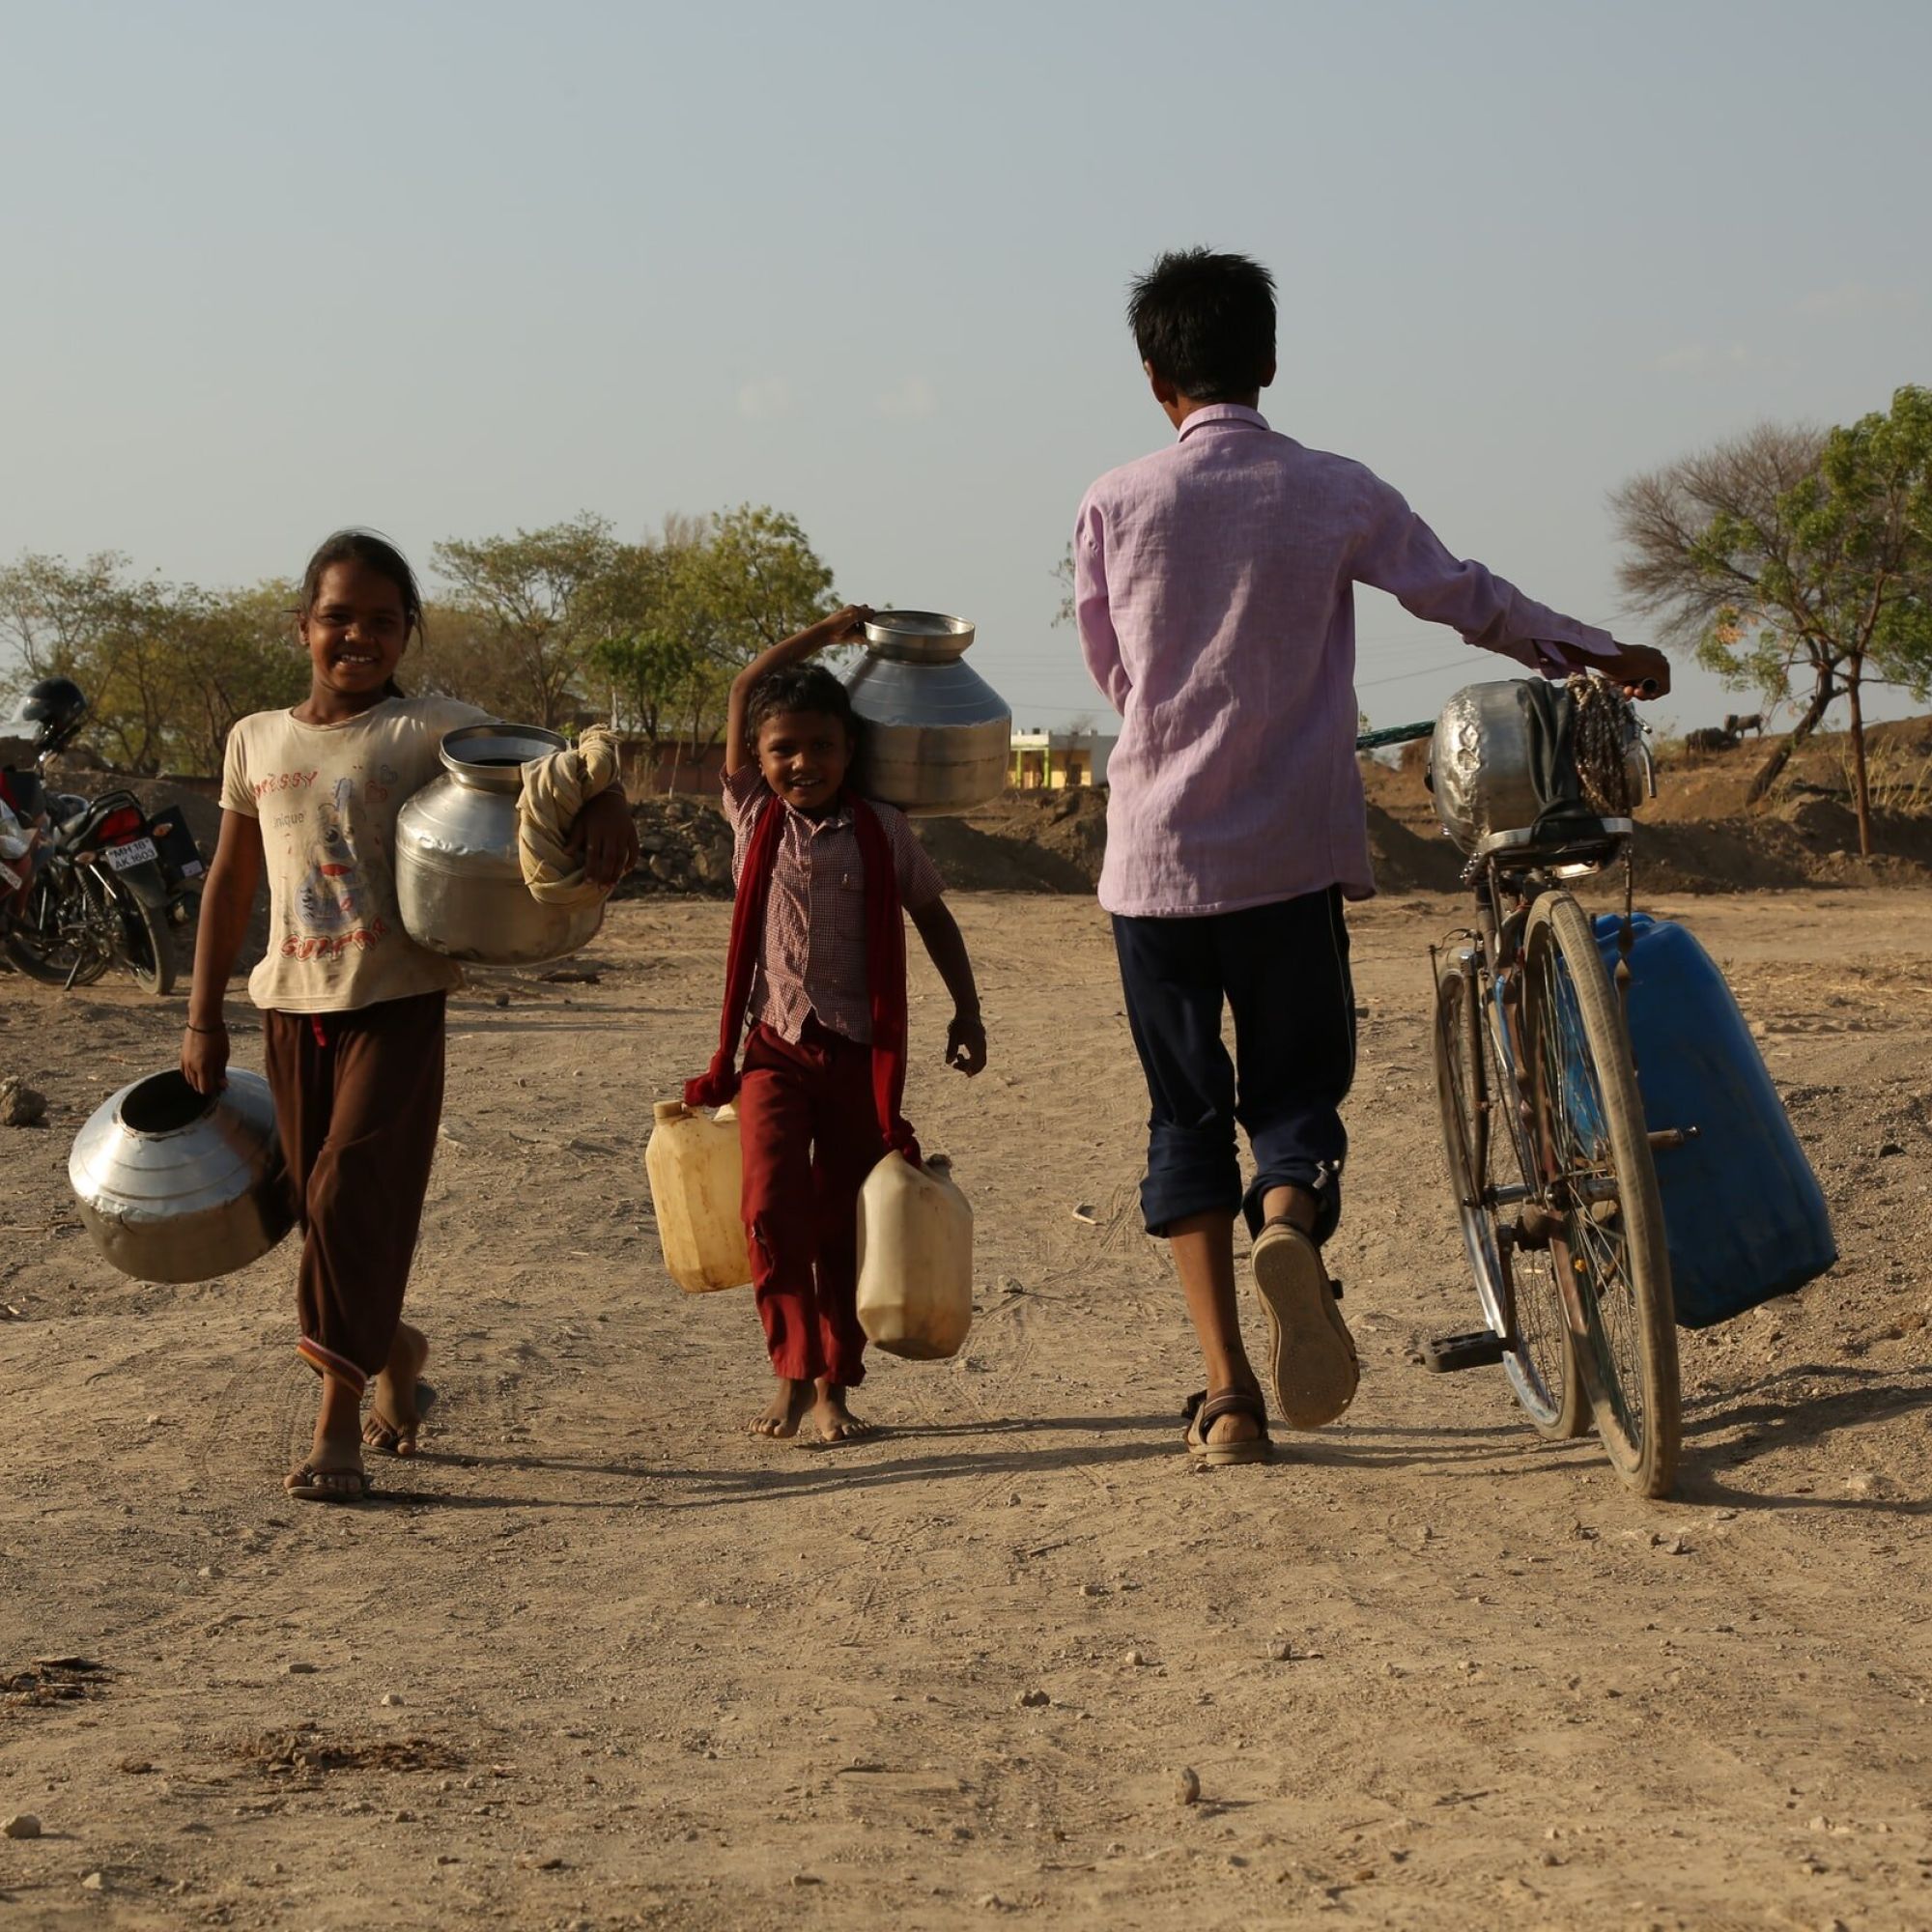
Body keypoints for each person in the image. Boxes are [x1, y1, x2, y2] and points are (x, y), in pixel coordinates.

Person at [1072, 248, 1670, 1466]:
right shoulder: (1330, 488)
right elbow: (1457, 594)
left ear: (1152, 379)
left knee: (1183, 1114)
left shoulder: (1112, 501)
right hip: (1287, 856)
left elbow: (1115, 673)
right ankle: (1285, 1212)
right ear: (1271, 363)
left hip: (1153, 865)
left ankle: (1229, 1397)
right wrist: (1591, 647)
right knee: (1292, 1096)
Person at [181, 529, 638, 1502]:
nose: (358, 636)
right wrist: (202, 1016)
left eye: (381, 621)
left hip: (395, 996)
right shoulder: (256, 739)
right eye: (337, 617)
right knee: (318, 1213)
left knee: (351, 1193)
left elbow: (557, 762)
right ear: (302, 624)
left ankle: (336, 1422)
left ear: (407, 632)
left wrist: (606, 798)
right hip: (287, 1003)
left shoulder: (426, 727)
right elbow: (229, 880)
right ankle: (395, 1348)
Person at [686, 605, 986, 1445]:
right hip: (773, 1049)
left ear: (849, 751)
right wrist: (828, 631)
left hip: (857, 1053)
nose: (802, 762)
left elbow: (932, 915)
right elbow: (748, 683)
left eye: (821, 746)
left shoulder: (882, 831)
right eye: (784, 749)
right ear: (758, 759)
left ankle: (833, 1387)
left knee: (846, 1217)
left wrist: (967, 1009)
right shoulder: (750, 816)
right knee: (771, 1209)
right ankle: (788, 1370)